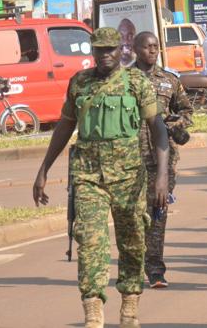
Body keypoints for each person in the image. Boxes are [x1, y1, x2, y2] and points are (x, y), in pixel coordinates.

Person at [32, 27, 170, 328]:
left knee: (133, 242)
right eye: (99, 49)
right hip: (88, 176)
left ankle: (130, 304)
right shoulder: (79, 83)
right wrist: (43, 170)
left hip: (128, 177)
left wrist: (161, 176)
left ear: (121, 50)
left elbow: (158, 128)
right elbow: (65, 127)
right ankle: (93, 308)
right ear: (92, 51)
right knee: (90, 241)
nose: (105, 54)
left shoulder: (136, 82)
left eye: (110, 49)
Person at [132, 32, 193, 289]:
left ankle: (155, 270)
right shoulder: (124, 80)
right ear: (136, 49)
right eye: (147, 47)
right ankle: (133, 266)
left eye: (156, 46)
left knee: (157, 215)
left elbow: (187, 111)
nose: (153, 51)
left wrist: (177, 124)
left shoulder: (169, 80)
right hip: (131, 159)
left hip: (162, 160)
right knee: (133, 216)